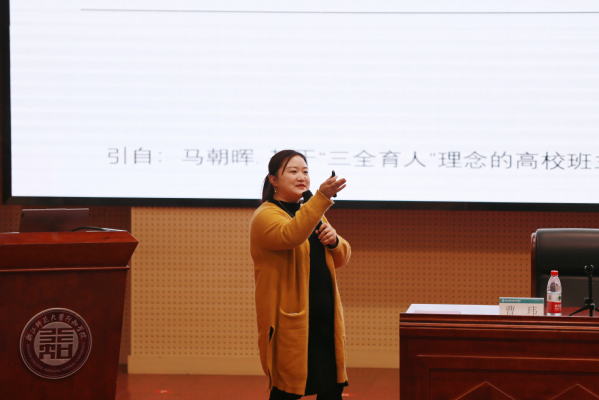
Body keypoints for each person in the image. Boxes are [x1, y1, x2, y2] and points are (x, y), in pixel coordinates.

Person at [250, 150, 351, 400]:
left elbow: (340, 258)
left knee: (331, 390)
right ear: (273, 180)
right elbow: (291, 235)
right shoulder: (266, 215)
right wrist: (321, 198)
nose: (301, 177)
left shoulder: (312, 212)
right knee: (286, 391)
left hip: (323, 321)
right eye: (293, 171)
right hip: (290, 324)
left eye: (305, 171)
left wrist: (335, 241)